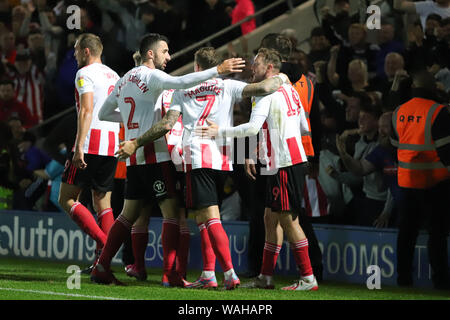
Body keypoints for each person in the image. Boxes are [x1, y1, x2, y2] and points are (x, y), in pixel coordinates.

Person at [113, 46, 288, 289]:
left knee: (208, 217)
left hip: (196, 158)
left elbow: (167, 124)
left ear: (196, 68)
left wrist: (137, 142)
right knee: (207, 219)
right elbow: (265, 87)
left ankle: (228, 273)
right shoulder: (227, 85)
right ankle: (208, 272)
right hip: (223, 160)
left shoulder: (182, 90)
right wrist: (283, 75)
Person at [91, 33, 246, 286]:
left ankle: (102, 265)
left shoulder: (123, 80)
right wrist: (217, 70)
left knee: (127, 215)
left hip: (134, 158)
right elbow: (183, 82)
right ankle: (171, 274)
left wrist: (134, 123)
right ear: (150, 54)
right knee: (172, 214)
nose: (168, 56)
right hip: (156, 155)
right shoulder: (151, 75)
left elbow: (105, 113)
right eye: (165, 51)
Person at [196, 48, 318, 291]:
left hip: (282, 163)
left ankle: (308, 277)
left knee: (288, 219)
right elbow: (305, 126)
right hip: (288, 159)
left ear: (270, 68)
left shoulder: (266, 94)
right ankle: (266, 277)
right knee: (269, 218)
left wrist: (218, 131)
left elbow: (251, 129)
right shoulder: (290, 90)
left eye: (257, 64)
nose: (253, 67)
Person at [58, 33, 120, 273]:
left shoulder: (84, 74)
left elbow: (86, 109)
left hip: (91, 143)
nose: (73, 55)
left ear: (86, 51)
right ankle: (101, 263)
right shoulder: (114, 75)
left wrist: (79, 146)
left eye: (75, 50)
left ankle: (105, 246)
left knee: (66, 198)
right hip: (111, 144)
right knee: (102, 202)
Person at [391, 70, 450, 290]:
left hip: (406, 183)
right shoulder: (438, 112)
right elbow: (447, 152)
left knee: (406, 233)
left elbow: (394, 144)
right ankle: (440, 281)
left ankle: (403, 279)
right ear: (433, 88)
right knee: (437, 234)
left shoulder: (399, 111)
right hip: (435, 183)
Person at [335, 112, 400, 228]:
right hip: (379, 205)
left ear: (397, 127)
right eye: (379, 127)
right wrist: (345, 156)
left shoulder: (408, 149)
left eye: (385, 127)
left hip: (407, 207)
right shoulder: (380, 150)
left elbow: (396, 185)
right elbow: (360, 169)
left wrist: (386, 212)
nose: (381, 131)